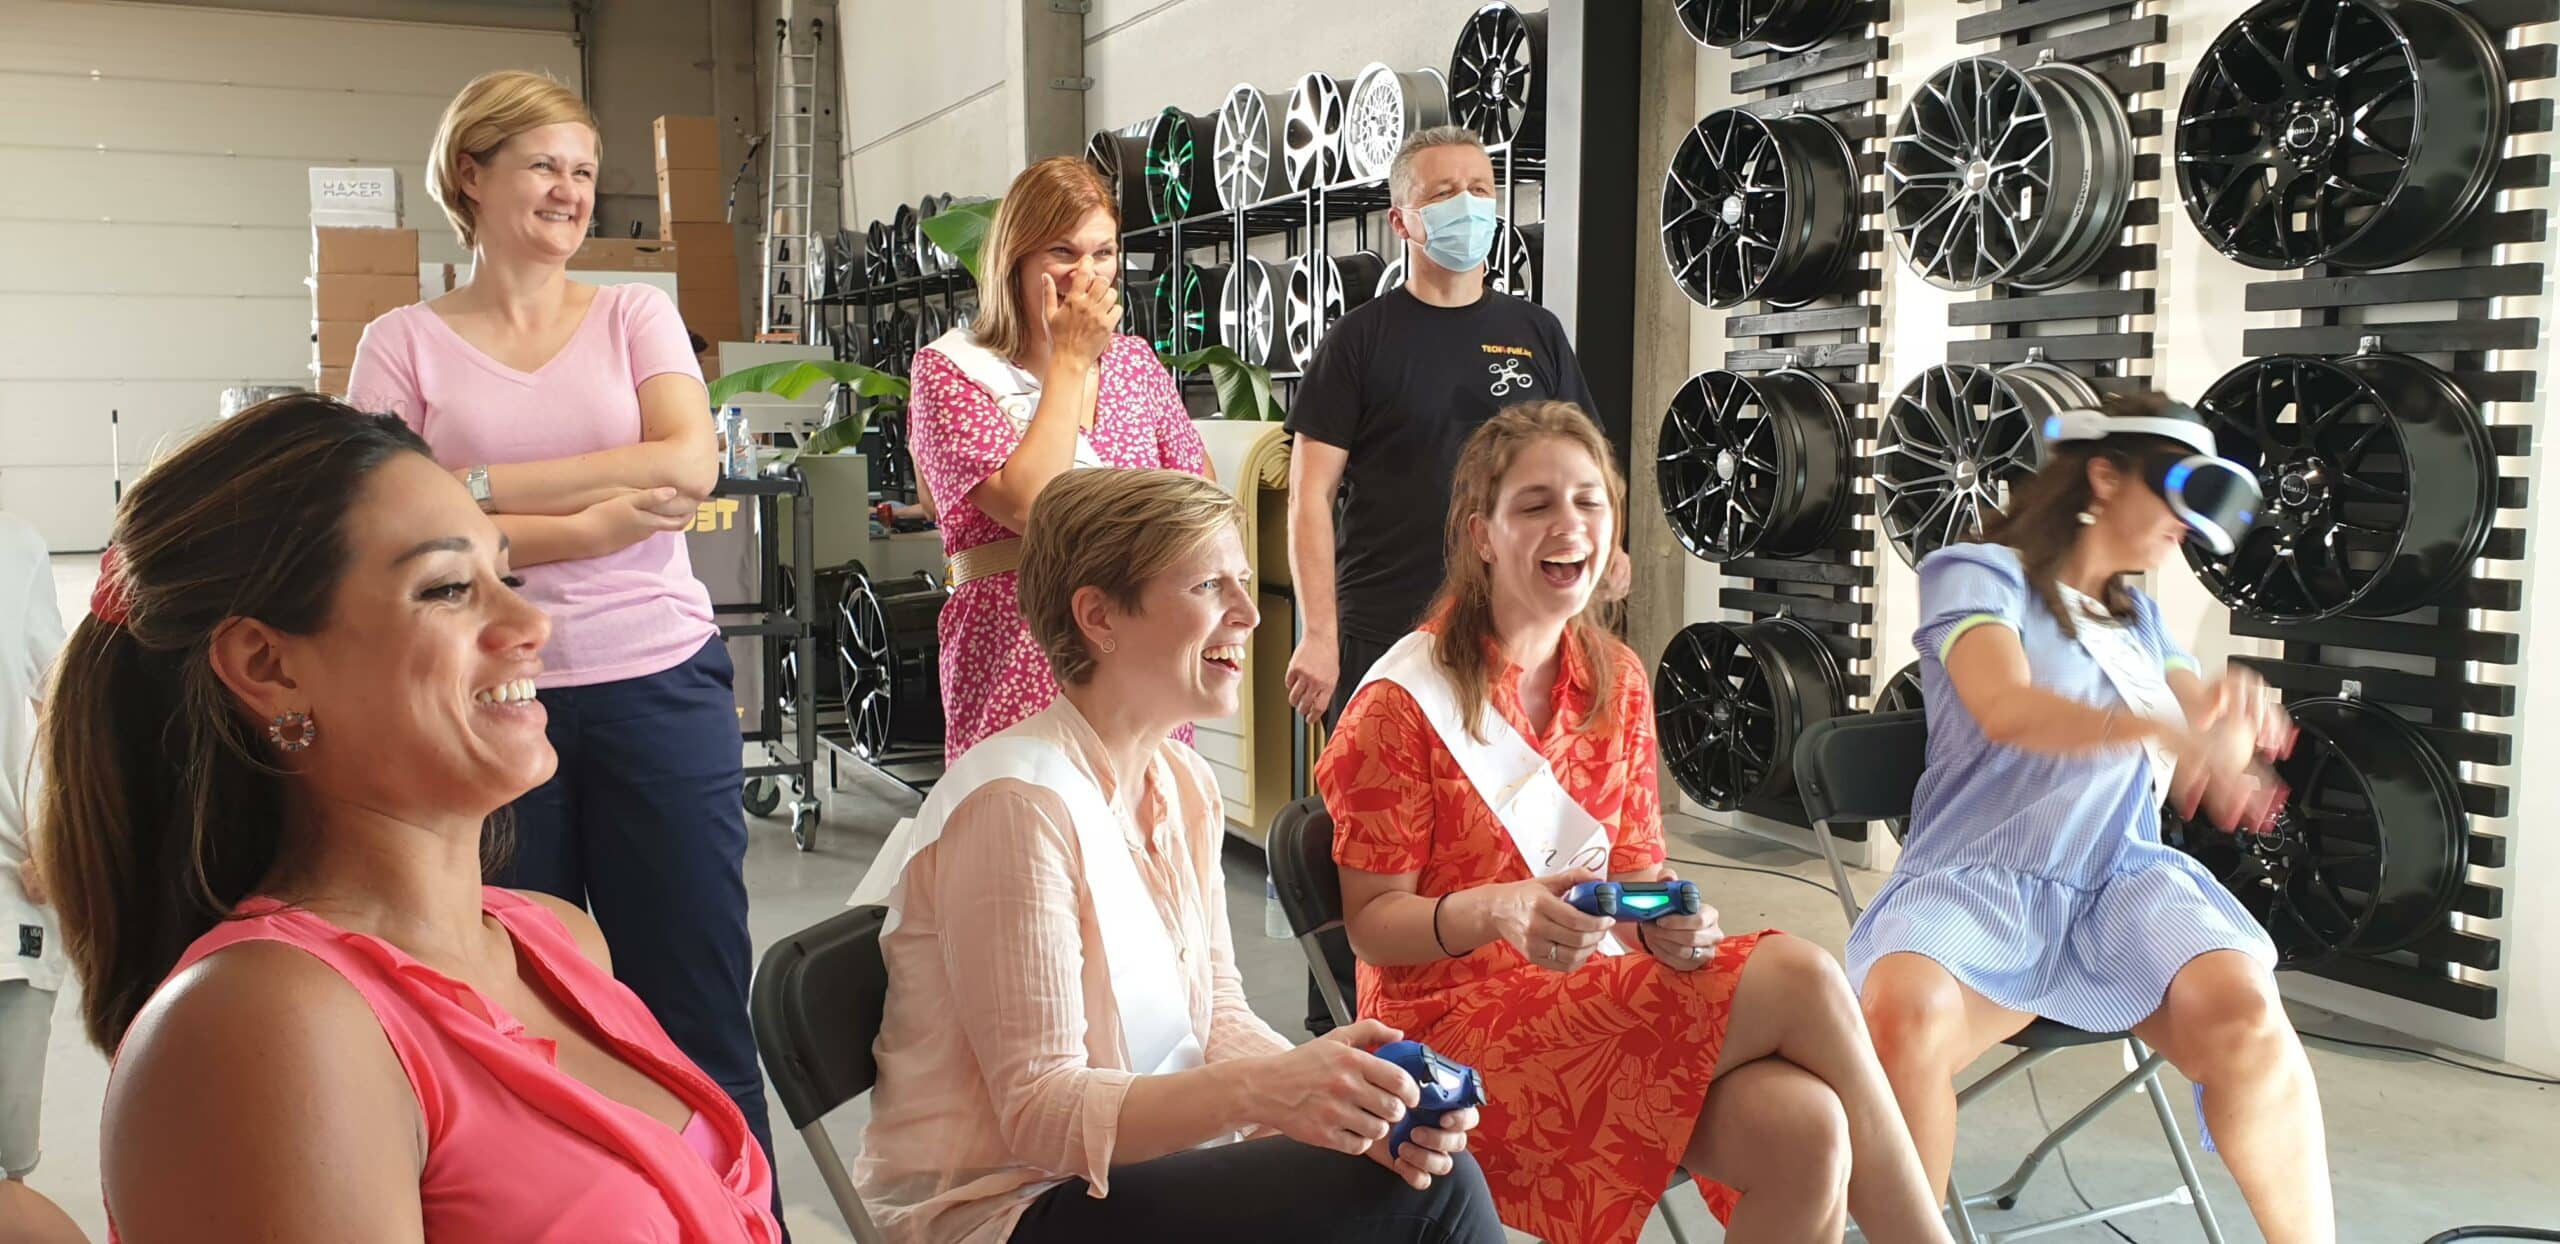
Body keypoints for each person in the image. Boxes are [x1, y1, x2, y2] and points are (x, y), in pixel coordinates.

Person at [36, 396, 777, 1242]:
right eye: (448, 589)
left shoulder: (558, 942)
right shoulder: (271, 1026)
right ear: (269, 665)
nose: (531, 623)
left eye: (508, 577)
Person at [1318, 403, 1952, 1244]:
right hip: (1446, 1038)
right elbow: (1371, 926)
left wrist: (1668, 922)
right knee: (1801, 977)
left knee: (1809, 1131)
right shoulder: (1400, 705)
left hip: (1592, 996)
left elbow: (1636, 875)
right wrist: (1500, 909)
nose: (1569, 523)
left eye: (1590, 501)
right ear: (1481, 535)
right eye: (1535, 504)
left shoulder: (1614, 679)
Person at [847, 468, 1503, 1244]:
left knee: (1408, 1171)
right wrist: (1269, 1091)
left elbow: (1214, 1011)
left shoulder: (1182, 782)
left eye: (1242, 582)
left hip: (1124, 1177)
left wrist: (1334, 1101)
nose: (1248, 613)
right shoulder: (1015, 809)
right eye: (1208, 585)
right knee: (1436, 1195)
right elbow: (1041, 1113)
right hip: (1007, 1207)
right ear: (1099, 616)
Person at [345, 70, 778, 1180]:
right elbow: (385, 529)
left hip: (657, 687)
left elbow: (689, 462)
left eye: (584, 171)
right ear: (471, 174)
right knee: (512, 1013)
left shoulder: (634, 314)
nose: (570, 191)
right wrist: (587, 525)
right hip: (478, 703)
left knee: (695, 1006)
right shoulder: (403, 342)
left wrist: (472, 489)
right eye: (543, 164)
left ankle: (737, 1219)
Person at [1850, 392, 2331, 1241]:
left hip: (2119, 884)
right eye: (2178, 492)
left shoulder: (2140, 618)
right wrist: (2161, 729)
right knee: (1905, 1014)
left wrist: (2233, 719)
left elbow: (2206, 738)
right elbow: (2006, 706)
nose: (2188, 525)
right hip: (1981, 879)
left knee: (2247, 1021)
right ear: (2105, 476)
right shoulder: (1975, 572)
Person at [1283, 125, 1607, 1034]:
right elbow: (1309, 496)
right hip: (1390, 632)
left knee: (1507, 826)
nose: (1468, 205)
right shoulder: (1361, 341)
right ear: (1402, 220)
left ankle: (1512, 1010)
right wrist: (1319, 632)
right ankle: (1349, 1029)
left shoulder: (1533, 332)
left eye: (1481, 188)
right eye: (1442, 193)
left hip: (1515, 638)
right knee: (1375, 849)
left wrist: (1599, 549)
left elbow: (1581, 459)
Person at [906, 156, 1213, 762]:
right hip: (1016, 652)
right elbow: (1031, 507)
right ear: (1014, 259)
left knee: (1144, 812)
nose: (1086, 274)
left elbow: (1198, 499)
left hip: (1140, 646)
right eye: (1063, 252)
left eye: (1103, 253)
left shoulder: (1134, 364)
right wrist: (1069, 360)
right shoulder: (949, 370)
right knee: (1024, 811)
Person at [0, 514, 84, 1244]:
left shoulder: (12, 547)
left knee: (3, 1177)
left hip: (7, 903)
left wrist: (60, 833)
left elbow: (62, 707)